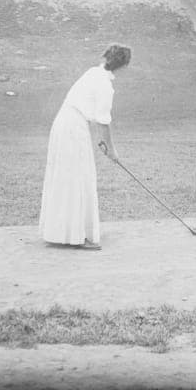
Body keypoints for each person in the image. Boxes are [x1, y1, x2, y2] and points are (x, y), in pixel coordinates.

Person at [39, 44, 131, 250]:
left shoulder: (93, 72)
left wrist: (103, 142)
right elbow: (103, 122)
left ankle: (65, 233)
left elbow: (94, 115)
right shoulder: (106, 85)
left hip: (64, 123)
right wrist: (113, 151)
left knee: (68, 177)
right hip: (73, 128)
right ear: (123, 66)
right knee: (80, 178)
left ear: (106, 57)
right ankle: (79, 237)